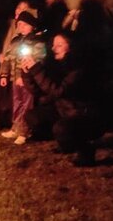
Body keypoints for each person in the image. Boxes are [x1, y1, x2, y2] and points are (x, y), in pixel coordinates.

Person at [21, 31, 104, 166]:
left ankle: (85, 149)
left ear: (71, 47)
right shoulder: (54, 66)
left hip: (84, 114)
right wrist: (27, 74)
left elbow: (58, 90)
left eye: (59, 45)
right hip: (63, 110)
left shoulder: (78, 69)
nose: (54, 48)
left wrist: (36, 70)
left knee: (61, 129)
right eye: (53, 45)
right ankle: (65, 142)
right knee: (33, 117)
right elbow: (40, 92)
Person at [0, 11, 46, 145]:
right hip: (15, 78)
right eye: (19, 24)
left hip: (28, 80)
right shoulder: (15, 41)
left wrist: (23, 76)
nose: (22, 27)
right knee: (17, 102)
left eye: (26, 24)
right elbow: (7, 58)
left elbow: (37, 60)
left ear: (33, 26)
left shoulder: (37, 42)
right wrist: (4, 74)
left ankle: (24, 130)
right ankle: (16, 127)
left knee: (26, 104)